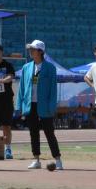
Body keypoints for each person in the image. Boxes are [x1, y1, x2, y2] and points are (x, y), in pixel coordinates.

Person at [16, 40, 63, 169]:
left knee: (49, 132)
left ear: (41, 51)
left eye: (33, 49)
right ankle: (36, 159)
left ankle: (58, 159)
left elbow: (53, 89)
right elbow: (21, 88)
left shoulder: (50, 68)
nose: (30, 51)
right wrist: (19, 106)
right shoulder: (26, 67)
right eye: (30, 49)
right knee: (33, 133)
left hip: (45, 106)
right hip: (30, 105)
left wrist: (52, 106)